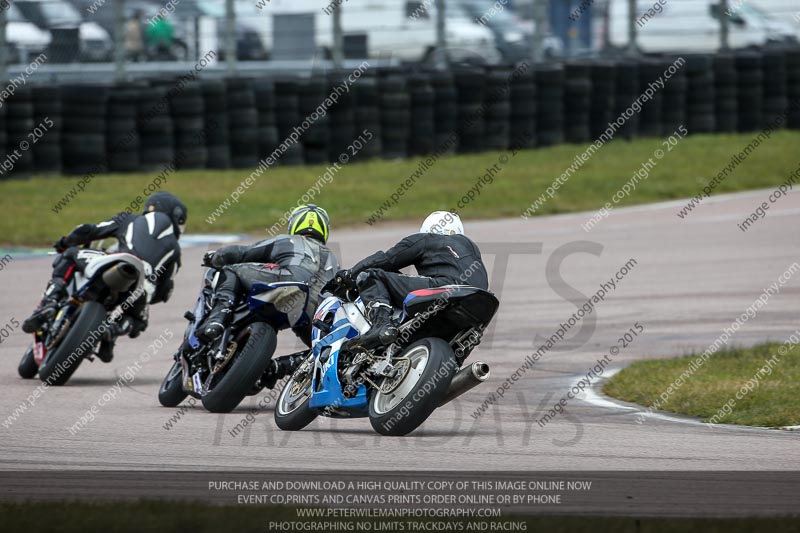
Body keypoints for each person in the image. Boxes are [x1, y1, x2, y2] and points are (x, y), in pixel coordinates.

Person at [22, 192, 187, 362]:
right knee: (138, 321)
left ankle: (50, 301)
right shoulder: (175, 250)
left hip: (116, 261)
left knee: (70, 254)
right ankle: (111, 333)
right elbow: (164, 290)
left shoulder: (130, 219)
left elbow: (88, 230)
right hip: (140, 286)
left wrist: (65, 242)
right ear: (176, 217)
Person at [339, 211, 488, 351]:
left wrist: (348, 275)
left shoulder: (426, 238)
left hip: (448, 289)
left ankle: (381, 325)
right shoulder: (471, 249)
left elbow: (386, 260)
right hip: (482, 303)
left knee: (372, 276)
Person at [199, 204, 339, 348]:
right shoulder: (333, 260)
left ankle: (217, 319)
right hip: (315, 311)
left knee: (230, 270)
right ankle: (284, 367)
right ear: (324, 230)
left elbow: (242, 253)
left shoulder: (289, 240)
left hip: (288, 283)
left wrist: (216, 257)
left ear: (294, 224)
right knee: (318, 350)